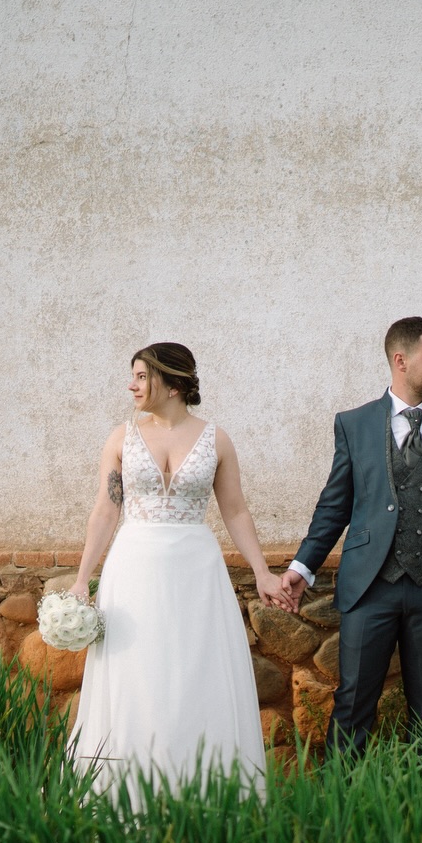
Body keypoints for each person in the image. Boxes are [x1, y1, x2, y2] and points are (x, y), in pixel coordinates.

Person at [66, 342, 292, 802]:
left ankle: (203, 796)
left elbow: (235, 511)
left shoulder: (216, 439)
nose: (132, 385)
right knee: (136, 676)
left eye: (141, 376)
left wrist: (263, 572)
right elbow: (106, 512)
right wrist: (80, 579)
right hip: (133, 571)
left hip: (196, 572)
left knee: (194, 675)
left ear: (172, 383)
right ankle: (124, 797)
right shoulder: (120, 438)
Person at [279, 317, 422, 758]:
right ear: (401, 360)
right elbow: (335, 505)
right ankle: (343, 801)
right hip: (369, 587)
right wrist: (303, 566)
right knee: (353, 701)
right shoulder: (353, 424)